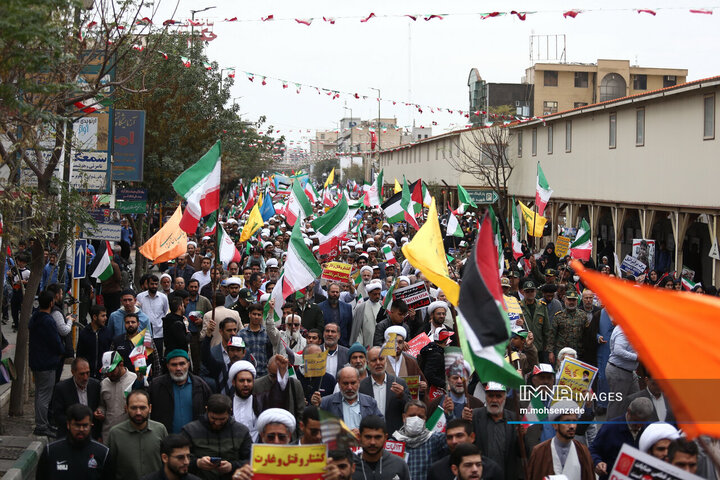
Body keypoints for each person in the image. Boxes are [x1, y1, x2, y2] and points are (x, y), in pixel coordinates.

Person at [181, 394, 252, 479]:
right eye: (213, 418)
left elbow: (251, 460)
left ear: (230, 412)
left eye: (222, 419)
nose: (217, 423)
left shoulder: (242, 431)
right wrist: (197, 463)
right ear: (207, 410)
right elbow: (178, 459)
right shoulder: (190, 430)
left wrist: (232, 466)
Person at [106, 390, 168, 480]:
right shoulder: (115, 434)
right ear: (126, 408)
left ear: (150, 408)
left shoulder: (160, 430)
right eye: (133, 408)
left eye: (142, 408)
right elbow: (109, 468)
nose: (138, 412)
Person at [526, 400, 595, 480]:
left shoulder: (583, 451)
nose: (572, 426)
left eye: (574, 421)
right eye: (567, 421)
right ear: (555, 425)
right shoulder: (539, 452)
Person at [37, 404, 111, 479]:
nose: (81, 429)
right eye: (77, 425)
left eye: (85, 426)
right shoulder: (51, 451)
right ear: (68, 425)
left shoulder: (103, 453)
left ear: (91, 425)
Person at [589, 397, 654, 480]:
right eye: (635, 422)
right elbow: (593, 450)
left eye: (642, 423)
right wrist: (597, 462)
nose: (639, 426)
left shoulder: (649, 430)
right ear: (629, 411)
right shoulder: (610, 428)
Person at [148, 349, 212, 434]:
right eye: (174, 365)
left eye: (182, 364)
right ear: (167, 366)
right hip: (166, 441)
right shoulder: (156, 386)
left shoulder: (201, 385)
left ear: (188, 364)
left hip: (195, 440)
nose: (178, 368)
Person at [29, 290, 65, 436]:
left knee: (39, 394)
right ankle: (42, 425)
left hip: (37, 361)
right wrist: (61, 350)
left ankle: (43, 423)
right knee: (44, 396)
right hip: (47, 362)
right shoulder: (48, 321)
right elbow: (55, 341)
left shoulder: (35, 317)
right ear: (51, 303)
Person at [470, 382, 521, 479]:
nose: (494, 400)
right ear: (485, 397)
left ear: (505, 398)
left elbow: (522, 452)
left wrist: (521, 437)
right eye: (490, 396)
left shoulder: (515, 419)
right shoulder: (475, 416)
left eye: (498, 396)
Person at [390, 400, 448, 480]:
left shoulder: (434, 439)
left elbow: (452, 440)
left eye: (420, 417)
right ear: (404, 417)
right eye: (412, 415)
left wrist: (449, 415)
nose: (416, 419)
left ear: (425, 419)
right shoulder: (393, 443)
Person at [428, 419, 503, 480]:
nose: (454, 441)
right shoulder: (436, 471)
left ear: (472, 437)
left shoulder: (492, 470)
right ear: (455, 469)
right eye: (450, 437)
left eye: (459, 436)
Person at [360, 346, 410, 434]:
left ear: (386, 360)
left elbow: (410, 409)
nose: (378, 363)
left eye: (381, 359)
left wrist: (402, 396)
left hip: (395, 437)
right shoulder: (361, 386)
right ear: (367, 364)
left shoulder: (399, 383)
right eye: (374, 360)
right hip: (370, 437)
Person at [50, 358, 102, 440]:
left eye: (87, 373)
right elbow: (57, 415)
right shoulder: (61, 388)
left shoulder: (95, 385)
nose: (85, 377)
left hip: (91, 436)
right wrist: (76, 425)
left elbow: (99, 406)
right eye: (81, 374)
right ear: (73, 372)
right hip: (68, 436)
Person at [319, 366, 383, 434]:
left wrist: (363, 432)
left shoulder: (370, 402)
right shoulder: (326, 403)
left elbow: (380, 426)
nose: (349, 387)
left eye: (353, 383)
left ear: (358, 382)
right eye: (345, 383)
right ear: (339, 383)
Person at [251, 355, 305, 430]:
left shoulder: (295, 385)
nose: (277, 379)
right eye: (273, 376)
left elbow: (301, 414)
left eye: (280, 375)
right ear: (268, 369)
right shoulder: (256, 385)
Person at [352, 415, 410, 480]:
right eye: (368, 437)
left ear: (385, 438)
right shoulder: (349, 466)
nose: (372, 442)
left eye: (377, 437)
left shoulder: (399, 465)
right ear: (359, 437)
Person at [98, 351, 138, 440]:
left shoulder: (135, 380)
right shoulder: (104, 383)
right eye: (106, 371)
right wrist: (100, 412)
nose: (109, 374)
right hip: (108, 436)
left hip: (129, 436)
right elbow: (102, 406)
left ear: (121, 365)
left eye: (112, 371)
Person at [605, 324, 639, 419]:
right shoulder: (623, 329)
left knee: (636, 400)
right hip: (619, 371)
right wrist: (637, 357)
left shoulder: (627, 328)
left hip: (627, 371)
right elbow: (618, 350)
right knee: (617, 404)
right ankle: (610, 430)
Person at [547, 290, 586, 364]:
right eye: (569, 300)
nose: (571, 302)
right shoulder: (558, 316)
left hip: (577, 353)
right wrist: (550, 352)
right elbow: (551, 335)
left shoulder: (583, 315)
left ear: (577, 301)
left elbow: (586, 334)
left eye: (573, 300)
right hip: (562, 353)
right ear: (565, 300)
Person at [137, 274, 170, 360]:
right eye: (152, 284)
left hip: (158, 333)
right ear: (147, 284)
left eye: (156, 284)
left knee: (158, 357)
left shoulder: (163, 297)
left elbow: (166, 312)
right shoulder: (140, 297)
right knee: (146, 357)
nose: (154, 286)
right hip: (144, 333)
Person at [76, 305, 113, 380]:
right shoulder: (84, 333)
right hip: (87, 375)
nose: (105, 318)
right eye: (103, 316)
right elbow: (80, 354)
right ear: (95, 317)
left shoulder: (108, 333)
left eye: (105, 315)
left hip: (104, 375)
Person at [237, 303, 271, 377]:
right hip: (247, 372)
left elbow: (269, 353)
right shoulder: (241, 334)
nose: (256, 317)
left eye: (259, 315)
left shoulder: (267, 333)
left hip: (264, 373)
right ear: (249, 314)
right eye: (254, 314)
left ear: (262, 316)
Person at [519, 281, 550, 360]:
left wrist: (547, 345)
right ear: (523, 292)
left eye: (532, 291)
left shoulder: (542, 306)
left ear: (535, 291)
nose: (530, 293)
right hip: (524, 347)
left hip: (539, 347)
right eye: (527, 291)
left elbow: (546, 328)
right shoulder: (518, 307)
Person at [350, 281, 385, 346]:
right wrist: (359, 346)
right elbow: (358, 330)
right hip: (366, 345)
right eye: (375, 294)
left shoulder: (382, 306)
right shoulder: (361, 308)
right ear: (369, 294)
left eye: (379, 294)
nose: (377, 296)